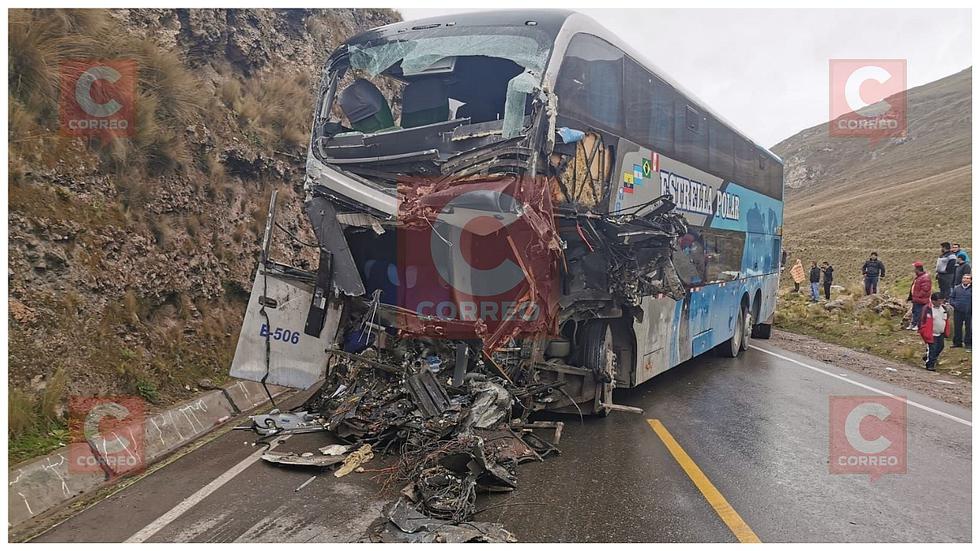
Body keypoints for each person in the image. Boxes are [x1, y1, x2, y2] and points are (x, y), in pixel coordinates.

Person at [919, 292, 950, 371]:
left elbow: (946, 319)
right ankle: (930, 365)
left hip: (940, 333)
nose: (940, 303)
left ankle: (928, 357)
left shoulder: (944, 309)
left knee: (940, 347)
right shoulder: (927, 308)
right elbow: (922, 321)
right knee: (932, 348)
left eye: (942, 301)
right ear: (933, 300)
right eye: (939, 301)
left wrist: (946, 331)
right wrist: (923, 331)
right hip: (930, 333)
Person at [949, 273, 972, 350]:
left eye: (968, 278)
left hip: (969, 312)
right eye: (964, 278)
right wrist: (954, 304)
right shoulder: (957, 288)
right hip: (958, 311)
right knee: (957, 327)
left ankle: (968, 343)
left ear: (971, 280)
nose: (965, 279)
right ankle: (957, 343)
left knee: (969, 328)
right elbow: (951, 298)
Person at [907, 261, 932, 330]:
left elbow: (925, 289)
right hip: (916, 299)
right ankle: (913, 324)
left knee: (920, 313)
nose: (913, 270)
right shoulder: (919, 277)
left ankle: (919, 325)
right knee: (915, 312)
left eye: (914, 268)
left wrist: (918, 296)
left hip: (920, 299)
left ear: (918, 269)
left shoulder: (925, 277)